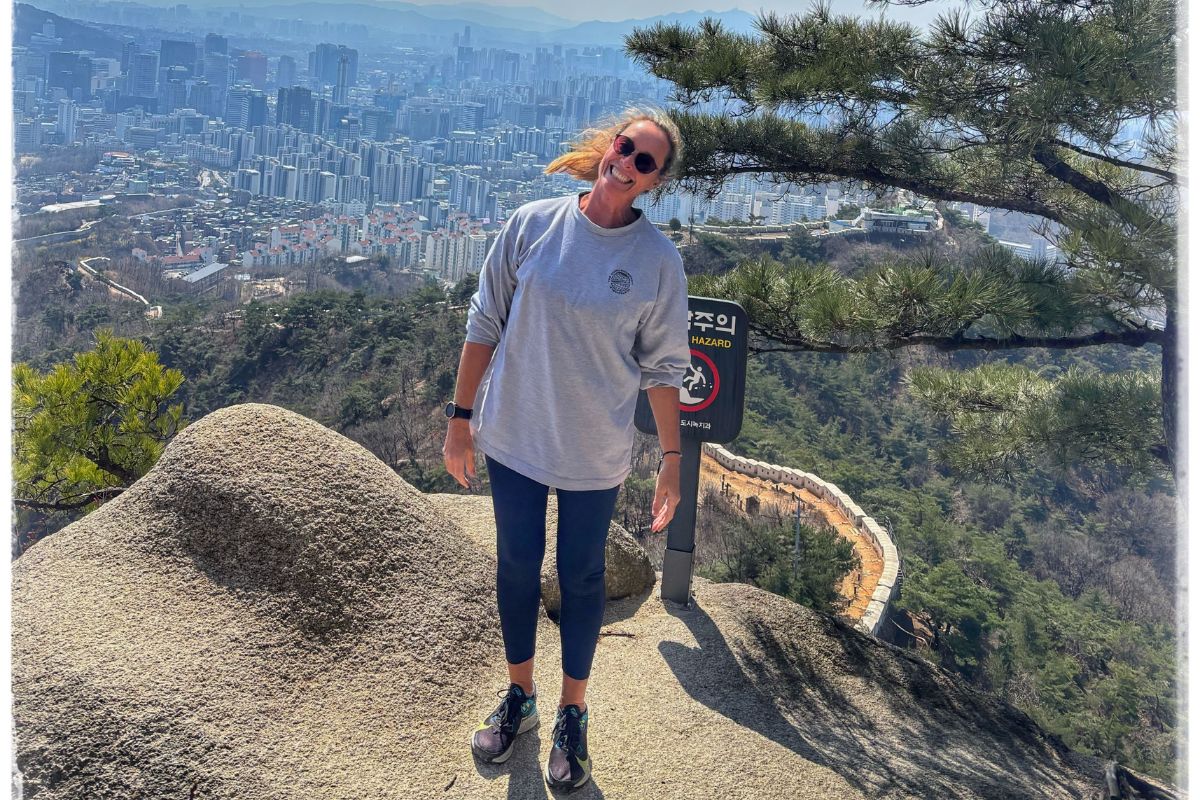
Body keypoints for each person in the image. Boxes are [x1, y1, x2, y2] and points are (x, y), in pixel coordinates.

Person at [442, 106, 691, 791]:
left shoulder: (657, 263)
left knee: (581, 577)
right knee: (517, 564)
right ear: (608, 146)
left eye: (646, 162)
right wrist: (460, 416)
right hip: (515, 433)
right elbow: (484, 318)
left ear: (654, 181)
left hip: (593, 449)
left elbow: (665, 370)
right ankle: (520, 694)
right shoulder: (533, 223)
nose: (628, 164)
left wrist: (672, 462)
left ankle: (572, 714)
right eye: (625, 148)